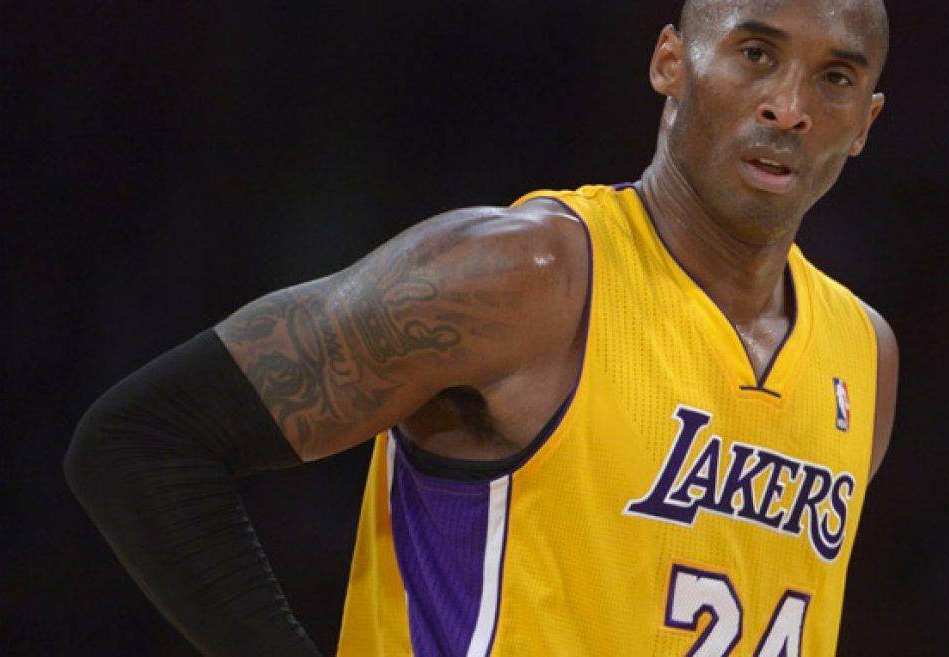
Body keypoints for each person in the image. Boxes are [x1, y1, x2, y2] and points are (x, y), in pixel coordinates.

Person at [65, 0, 898, 654]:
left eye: (834, 77)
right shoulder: (524, 277)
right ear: (669, 63)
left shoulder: (864, 356)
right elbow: (142, 440)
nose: (789, 107)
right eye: (754, 55)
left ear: (864, 122)